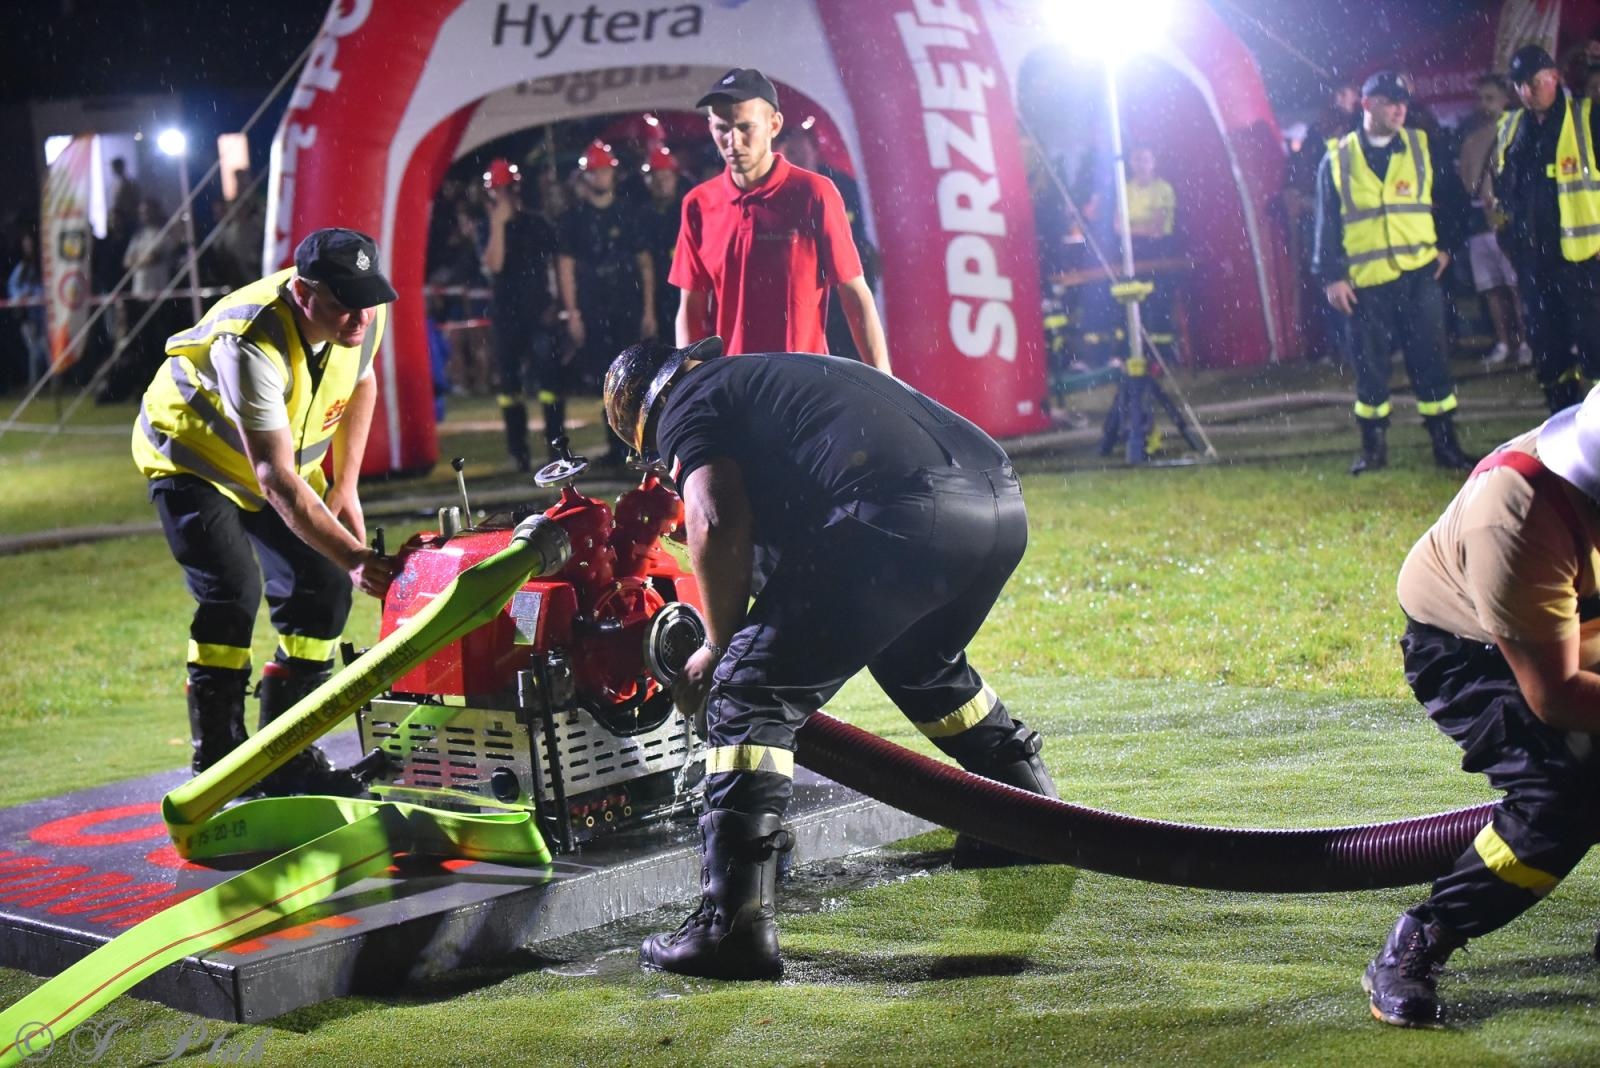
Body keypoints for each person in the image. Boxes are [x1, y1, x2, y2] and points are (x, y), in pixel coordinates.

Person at [603, 338, 1058, 980]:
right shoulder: (762, 375)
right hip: (997, 505)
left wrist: (715, 643)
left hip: (902, 510)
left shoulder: (686, 401)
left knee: (745, 690)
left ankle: (729, 924)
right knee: (918, 661)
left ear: (641, 421)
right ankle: (1023, 808)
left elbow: (712, 516)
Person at [1364, 385, 1600, 1027]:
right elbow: (1556, 695)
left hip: (1576, 616)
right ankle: (1421, 939)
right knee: (1566, 792)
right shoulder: (1519, 514)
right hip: (1470, 649)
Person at [131, 227, 398, 794]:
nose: (360, 318)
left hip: (273, 465)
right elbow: (274, 478)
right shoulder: (252, 340)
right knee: (232, 590)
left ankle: (285, 755)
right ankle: (222, 767)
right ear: (304, 294)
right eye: (344, 304)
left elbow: (363, 379)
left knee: (323, 589)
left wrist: (346, 486)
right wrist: (353, 554)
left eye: (368, 301)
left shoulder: (363, 315)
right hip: (193, 457)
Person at [670, 69, 891, 374]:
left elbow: (855, 294)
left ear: (774, 125)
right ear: (710, 127)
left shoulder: (814, 193)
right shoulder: (698, 204)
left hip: (803, 384)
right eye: (722, 127)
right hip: (732, 387)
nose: (733, 140)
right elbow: (691, 307)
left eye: (745, 127)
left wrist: (885, 381)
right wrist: (688, 380)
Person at [1313, 71, 1475, 475]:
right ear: (1366, 105)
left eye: (1403, 101)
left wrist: (1447, 247)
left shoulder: (1423, 146)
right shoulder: (1337, 159)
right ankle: (1373, 449)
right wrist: (1332, 276)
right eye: (1390, 101)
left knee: (1432, 361)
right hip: (1365, 284)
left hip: (1419, 276)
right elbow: (1325, 224)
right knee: (1369, 369)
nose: (1400, 109)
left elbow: (1455, 198)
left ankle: (1445, 445)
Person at [1494, 46, 1600, 413]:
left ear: (1555, 77)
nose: (1529, 92)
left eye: (1536, 82)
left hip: (1584, 260)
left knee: (1595, 345)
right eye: (1522, 85)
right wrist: (1506, 232)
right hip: (1533, 262)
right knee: (1548, 349)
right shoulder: (1511, 126)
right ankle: (1563, 425)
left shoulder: (1588, 119)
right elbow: (1503, 188)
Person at [556, 139, 656, 464]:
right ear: (586, 177)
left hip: (626, 306)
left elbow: (645, 263)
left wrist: (648, 309)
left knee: (636, 379)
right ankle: (616, 449)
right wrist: (573, 313)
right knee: (606, 380)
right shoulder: (574, 219)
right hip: (594, 309)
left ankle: (638, 445)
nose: (600, 177)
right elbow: (566, 267)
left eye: (604, 171)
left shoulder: (629, 214)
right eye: (594, 172)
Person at [482, 157, 562, 471]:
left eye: (510, 189)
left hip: (540, 313)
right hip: (507, 317)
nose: (506, 196)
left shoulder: (538, 222)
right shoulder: (486, 226)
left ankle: (557, 446)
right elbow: (494, 264)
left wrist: (558, 306)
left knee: (549, 383)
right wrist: (498, 225)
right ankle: (519, 452)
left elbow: (554, 267)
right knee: (509, 387)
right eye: (500, 190)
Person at [1457, 74, 1531, 367]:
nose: (1484, 104)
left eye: (1490, 98)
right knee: (1492, 289)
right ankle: (1504, 342)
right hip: (1479, 222)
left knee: (1516, 287)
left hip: (1508, 221)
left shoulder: (1518, 130)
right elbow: (1465, 176)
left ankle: (1526, 342)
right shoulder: (1471, 137)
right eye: (1481, 98)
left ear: (1505, 99)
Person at [640, 144, 687, 347]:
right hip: (653, 291)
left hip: (682, 290)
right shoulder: (640, 216)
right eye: (655, 178)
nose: (661, 183)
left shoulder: (686, 211)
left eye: (666, 177)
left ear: (675, 178)